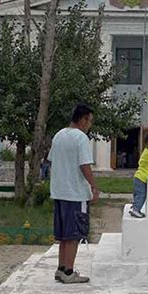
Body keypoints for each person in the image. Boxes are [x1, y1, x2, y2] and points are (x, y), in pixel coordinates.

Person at [48, 102, 99, 283]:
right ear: (83, 119)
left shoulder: (59, 135)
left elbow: (52, 160)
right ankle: (69, 271)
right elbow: (84, 165)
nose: (90, 124)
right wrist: (94, 185)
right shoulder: (81, 138)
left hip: (59, 191)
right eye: (90, 121)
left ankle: (61, 268)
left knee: (63, 235)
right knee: (74, 235)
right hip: (76, 194)